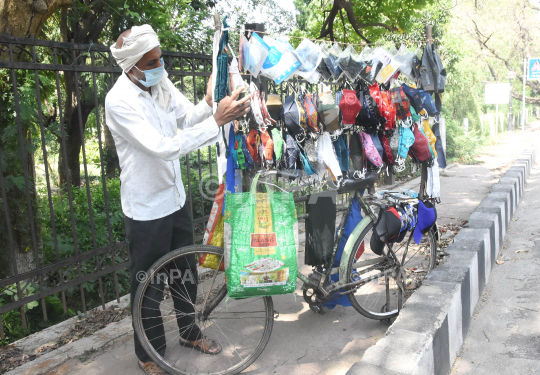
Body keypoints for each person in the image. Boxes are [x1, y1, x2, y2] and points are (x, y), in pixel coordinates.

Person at [106, 25, 250, 375]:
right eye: (152, 61)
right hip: (145, 210)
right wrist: (217, 121)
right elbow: (163, 146)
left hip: (174, 199)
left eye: (161, 58)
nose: (161, 66)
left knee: (184, 274)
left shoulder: (160, 83)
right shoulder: (119, 102)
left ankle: (189, 331)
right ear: (131, 66)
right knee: (149, 287)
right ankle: (148, 353)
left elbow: (188, 117)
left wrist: (211, 105)